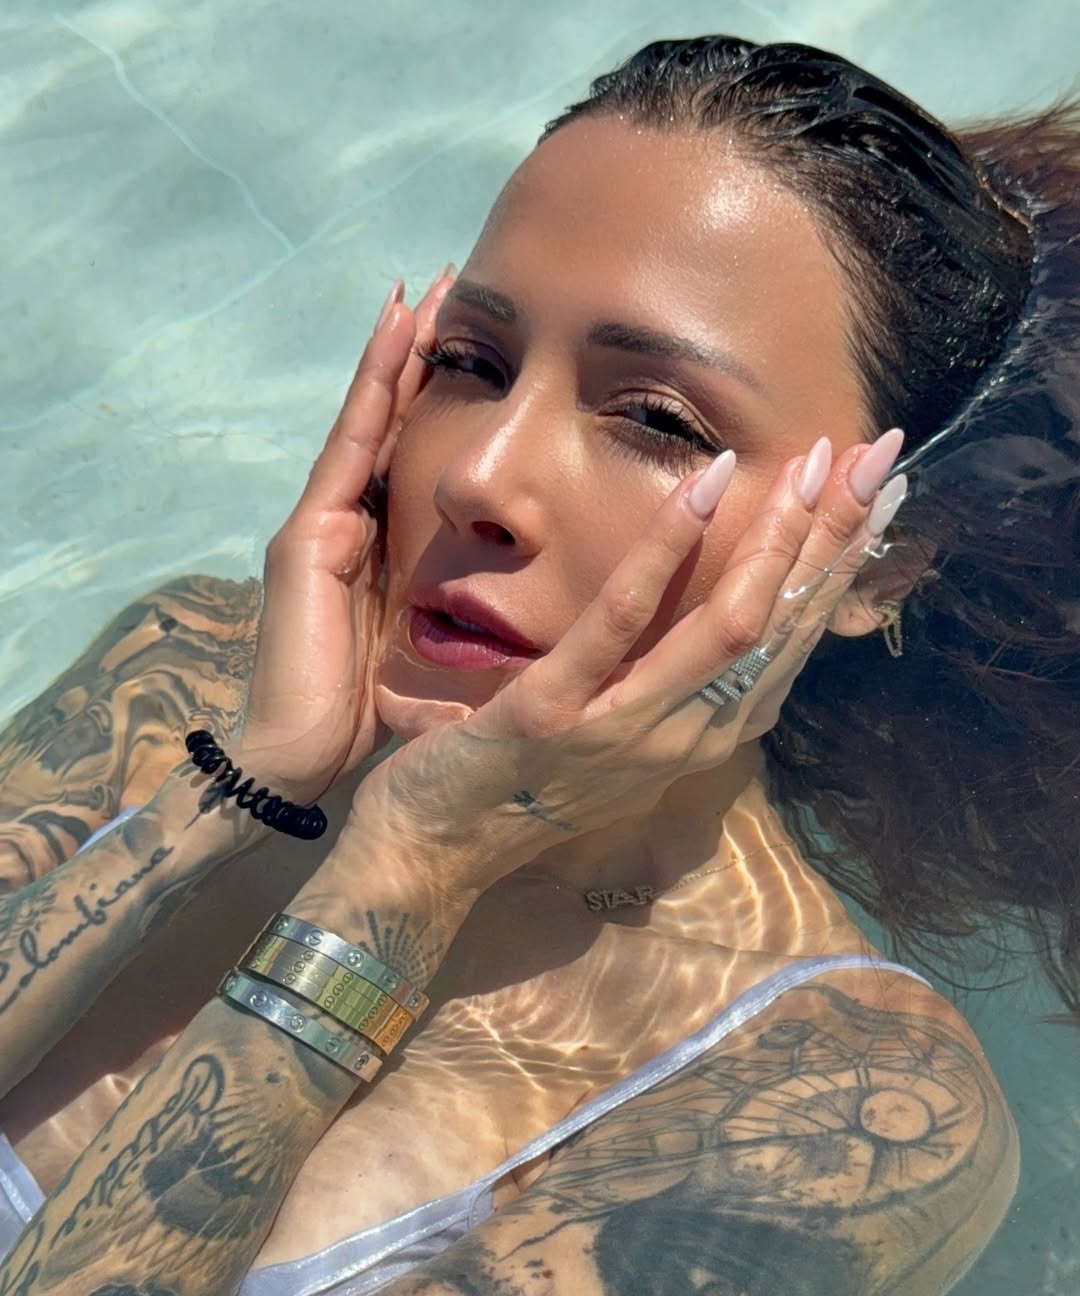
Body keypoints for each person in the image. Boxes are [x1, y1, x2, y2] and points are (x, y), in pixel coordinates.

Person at [0, 33, 1077, 1296]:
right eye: (472, 362)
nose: (478, 475)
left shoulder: (842, 1104)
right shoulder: (186, 679)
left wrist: (409, 867)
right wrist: (241, 783)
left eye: (658, 420)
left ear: (881, 563)